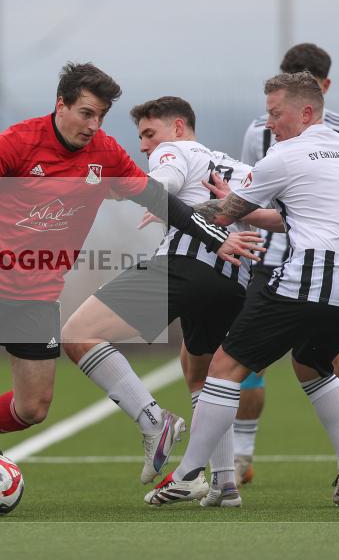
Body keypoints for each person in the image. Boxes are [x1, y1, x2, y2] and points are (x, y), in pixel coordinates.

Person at [0, 62, 264, 512]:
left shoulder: (105, 152)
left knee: (33, 408)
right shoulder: (19, 140)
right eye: (86, 113)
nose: (93, 125)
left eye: (101, 115)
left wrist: (218, 239)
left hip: (36, 294)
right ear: (60, 105)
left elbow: (161, 200)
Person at [146, 72, 339, 508]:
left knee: (223, 366)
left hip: (308, 280)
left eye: (275, 113)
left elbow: (223, 214)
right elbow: (298, 215)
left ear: (305, 112)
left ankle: (189, 474)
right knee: (311, 365)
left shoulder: (285, 155)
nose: (269, 123)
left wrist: (172, 206)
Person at [62, 96, 278, 507]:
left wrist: (122, 189)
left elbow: (160, 184)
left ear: (179, 127)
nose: (145, 145)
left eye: (150, 134)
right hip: (234, 281)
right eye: (141, 138)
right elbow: (284, 216)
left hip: (186, 265)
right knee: (207, 376)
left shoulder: (175, 151)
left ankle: (154, 421)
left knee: (77, 334)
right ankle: (224, 483)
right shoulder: (241, 169)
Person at [233, 43, 339, 487]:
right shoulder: (260, 131)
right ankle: (241, 456)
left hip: (331, 267)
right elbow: (247, 188)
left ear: (323, 89)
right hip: (271, 258)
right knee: (247, 360)